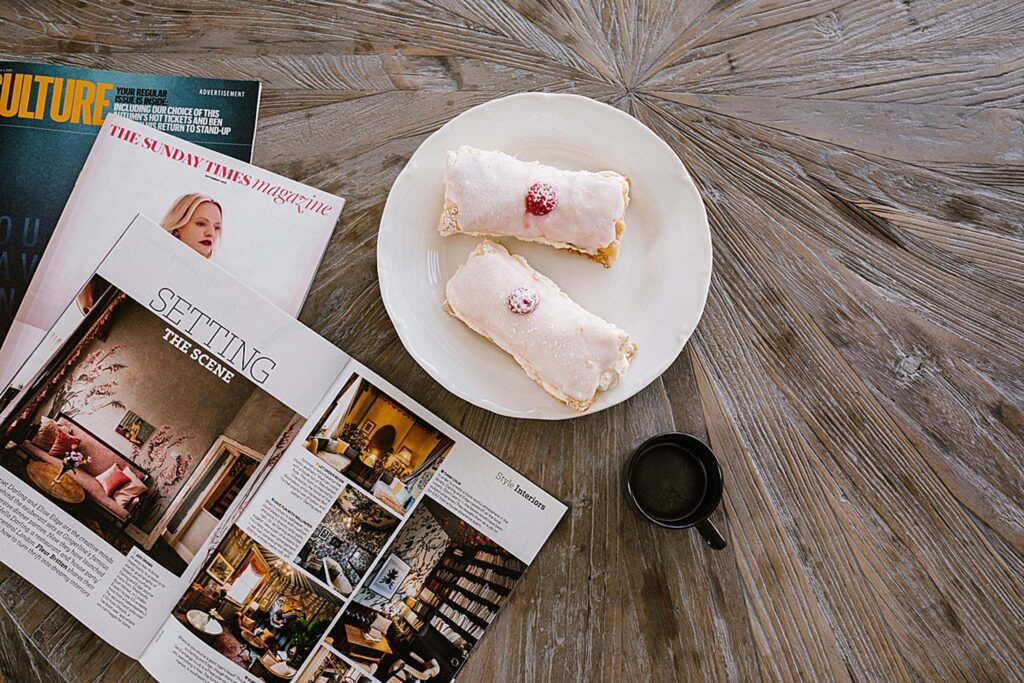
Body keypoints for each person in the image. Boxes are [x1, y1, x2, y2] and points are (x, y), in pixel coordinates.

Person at [76, 193, 223, 314]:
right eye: (201, 223)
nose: (210, 233)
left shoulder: (206, 288)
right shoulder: (139, 256)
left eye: (217, 227)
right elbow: (88, 299)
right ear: (178, 225)